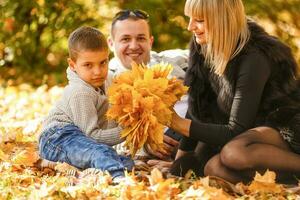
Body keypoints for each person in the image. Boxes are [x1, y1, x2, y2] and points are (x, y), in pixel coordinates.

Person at [168, 0, 300, 184]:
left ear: (221, 20)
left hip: (286, 126)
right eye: (190, 18)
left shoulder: (255, 57)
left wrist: (177, 123)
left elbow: (236, 130)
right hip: (249, 136)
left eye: (199, 20)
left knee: (233, 153)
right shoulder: (203, 47)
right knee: (212, 169)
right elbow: (198, 105)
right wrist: (177, 163)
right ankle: (287, 180)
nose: (191, 27)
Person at [38, 26, 134, 180]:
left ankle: (121, 168)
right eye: (88, 65)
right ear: (72, 65)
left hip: (82, 138)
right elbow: (92, 135)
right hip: (57, 138)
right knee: (97, 152)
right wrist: (127, 131)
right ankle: (119, 178)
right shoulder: (79, 92)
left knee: (118, 157)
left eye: (103, 62)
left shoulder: (108, 79)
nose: (98, 71)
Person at [107, 9, 189, 162]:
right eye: (125, 39)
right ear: (111, 43)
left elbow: (211, 49)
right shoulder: (104, 83)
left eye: (141, 38)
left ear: (150, 41)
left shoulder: (176, 62)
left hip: (199, 133)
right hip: (164, 150)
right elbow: (97, 136)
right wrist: (143, 144)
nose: (133, 46)